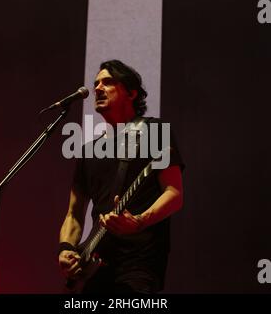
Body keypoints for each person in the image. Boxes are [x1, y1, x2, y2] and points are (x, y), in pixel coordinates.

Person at [58, 59, 184, 293]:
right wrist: (66, 248)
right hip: (97, 263)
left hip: (138, 264)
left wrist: (139, 221)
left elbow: (174, 193)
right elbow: (74, 213)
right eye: (96, 84)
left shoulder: (153, 131)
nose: (97, 88)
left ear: (132, 93)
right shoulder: (88, 151)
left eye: (108, 82)